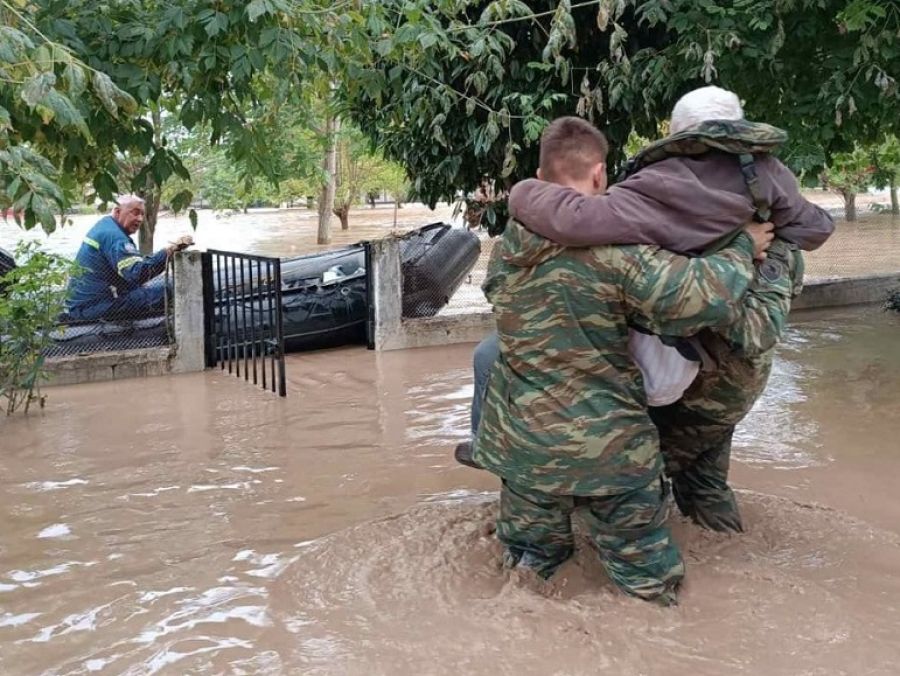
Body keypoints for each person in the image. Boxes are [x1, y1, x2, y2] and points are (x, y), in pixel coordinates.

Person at [463, 86, 834, 534]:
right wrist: (754, 245)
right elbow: (813, 235)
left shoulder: (652, 191)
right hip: (731, 379)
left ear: (676, 136)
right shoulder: (775, 200)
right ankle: (718, 549)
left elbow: (585, 228)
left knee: (629, 476)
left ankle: (528, 480)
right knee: (703, 486)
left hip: (680, 373)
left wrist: (525, 193)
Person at [473, 116, 775, 605]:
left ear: (541, 172)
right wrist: (742, 243)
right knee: (649, 591)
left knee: (529, 575)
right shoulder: (613, 252)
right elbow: (703, 298)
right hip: (609, 454)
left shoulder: (507, 249)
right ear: (598, 176)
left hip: (521, 450)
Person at [65, 195, 193, 322]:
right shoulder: (115, 237)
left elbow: (130, 269)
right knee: (172, 286)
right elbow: (138, 274)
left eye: (142, 214)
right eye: (135, 213)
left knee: (152, 287)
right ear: (117, 211)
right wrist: (168, 252)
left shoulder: (105, 225)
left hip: (81, 306)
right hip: (95, 308)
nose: (140, 219)